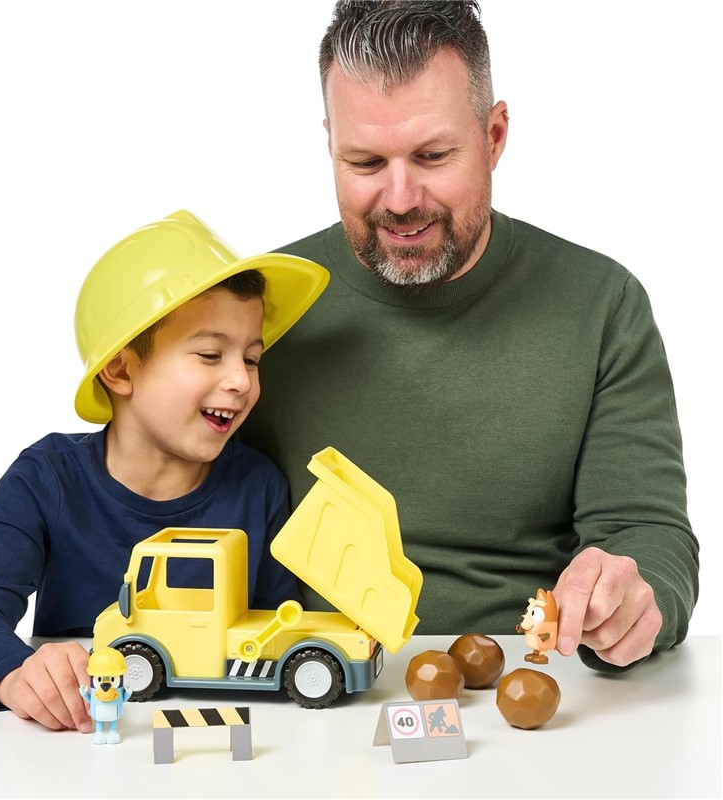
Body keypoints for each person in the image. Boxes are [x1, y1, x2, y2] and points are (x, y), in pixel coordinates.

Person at [242, 0, 700, 672]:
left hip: (530, 677)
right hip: (314, 674)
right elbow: (158, 489)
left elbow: (647, 531)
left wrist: (635, 596)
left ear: (494, 135)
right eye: (365, 162)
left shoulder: (602, 302)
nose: (400, 198)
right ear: (330, 144)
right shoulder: (255, 308)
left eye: (432, 155)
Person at [0, 209, 329, 731]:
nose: (241, 380)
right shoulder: (45, 479)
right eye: (210, 354)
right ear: (121, 370)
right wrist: (15, 674)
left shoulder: (259, 487)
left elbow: (276, 631)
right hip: (83, 733)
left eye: (252, 359)